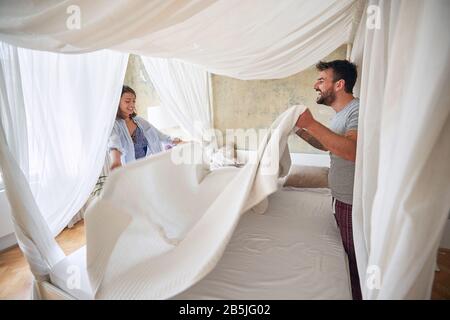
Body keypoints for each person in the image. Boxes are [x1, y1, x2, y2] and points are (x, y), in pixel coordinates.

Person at [294, 60, 361, 300]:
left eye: (321, 80)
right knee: (347, 262)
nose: (316, 85)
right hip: (341, 197)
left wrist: (311, 123)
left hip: (353, 202)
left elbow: (353, 151)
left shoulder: (357, 110)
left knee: (356, 266)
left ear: (340, 84)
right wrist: (301, 131)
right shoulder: (340, 115)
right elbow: (327, 146)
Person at [108, 85, 182, 170]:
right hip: (131, 171)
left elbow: (161, 136)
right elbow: (114, 144)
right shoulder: (114, 125)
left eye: (134, 101)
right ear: (117, 102)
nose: (132, 104)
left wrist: (181, 142)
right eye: (127, 101)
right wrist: (116, 161)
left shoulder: (139, 121)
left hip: (150, 166)